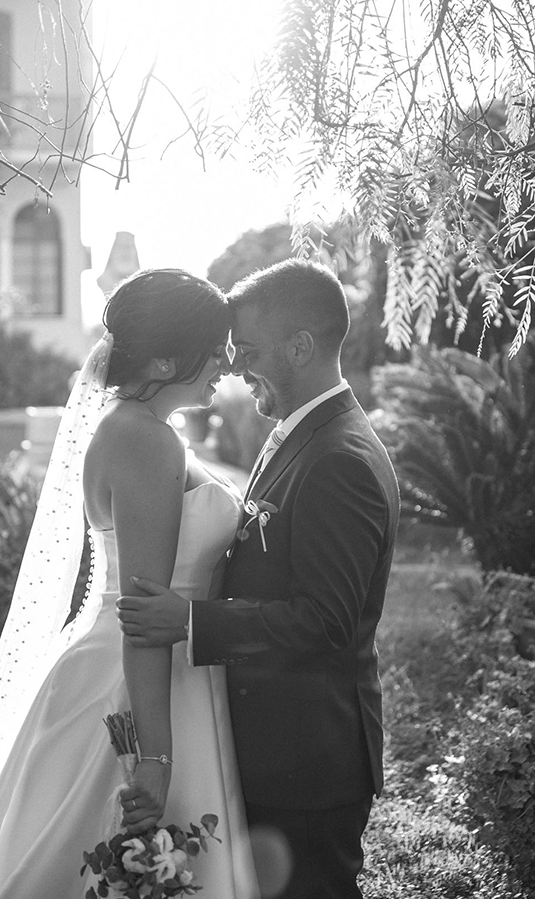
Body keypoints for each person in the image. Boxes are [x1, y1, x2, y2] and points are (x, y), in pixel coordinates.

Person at [0, 268, 259, 899]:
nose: (226, 360)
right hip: (136, 682)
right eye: (214, 345)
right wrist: (157, 761)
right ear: (165, 358)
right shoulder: (144, 441)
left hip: (160, 666)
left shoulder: (140, 427)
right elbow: (144, 612)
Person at [117, 258, 401, 899]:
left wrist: (190, 622)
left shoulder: (339, 460)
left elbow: (325, 622)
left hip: (309, 762)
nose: (236, 366)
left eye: (246, 349)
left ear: (300, 346)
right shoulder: (300, 435)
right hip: (278, 745)